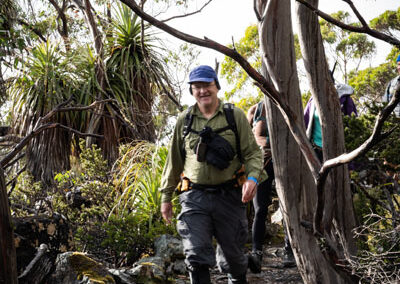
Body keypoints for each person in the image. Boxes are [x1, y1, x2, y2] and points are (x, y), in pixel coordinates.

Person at [160, 65, 266, 284]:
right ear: (191, 91)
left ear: (216, 86)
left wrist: (253, 179)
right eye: (197, 87)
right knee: (196, 255)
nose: (202, 91)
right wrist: (165, 197)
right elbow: (174, 161)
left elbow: (253, 154)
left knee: (234, 263)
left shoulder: (233, 116)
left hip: (229, 196)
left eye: (207, 85)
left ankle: (237, 263)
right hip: (194, 198)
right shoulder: (185, 120)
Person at [246, 101, 295, 272]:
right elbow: (245, 139)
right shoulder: (256, 109)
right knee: (260, 209)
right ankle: (256, 253)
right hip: (261, 164)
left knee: (288, 207)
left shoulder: (288, 104)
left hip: (284, 162)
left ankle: (290, 250)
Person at [304, 83, 358, 161]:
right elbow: (305, 122)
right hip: (316, 149)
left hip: (338, 150)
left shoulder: (345, 99)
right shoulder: (313, 101)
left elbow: (353, 123)